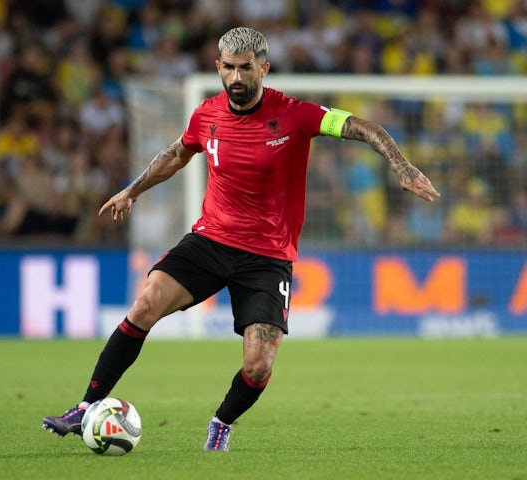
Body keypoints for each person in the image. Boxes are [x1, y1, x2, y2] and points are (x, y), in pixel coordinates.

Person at [43, 26, 440, 451]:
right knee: (145, 303)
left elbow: (364, 126)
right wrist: (131, 191)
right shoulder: (207, 114)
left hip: (267, 257)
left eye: (245, 68)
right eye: (228, 68)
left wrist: (400, 166)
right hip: (211, 240)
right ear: (217, 67)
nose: (236, 77)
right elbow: (176, 154)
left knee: (258, 364)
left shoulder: (295, 114)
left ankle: (222, 421)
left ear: (263, 69)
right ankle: (86, 407)